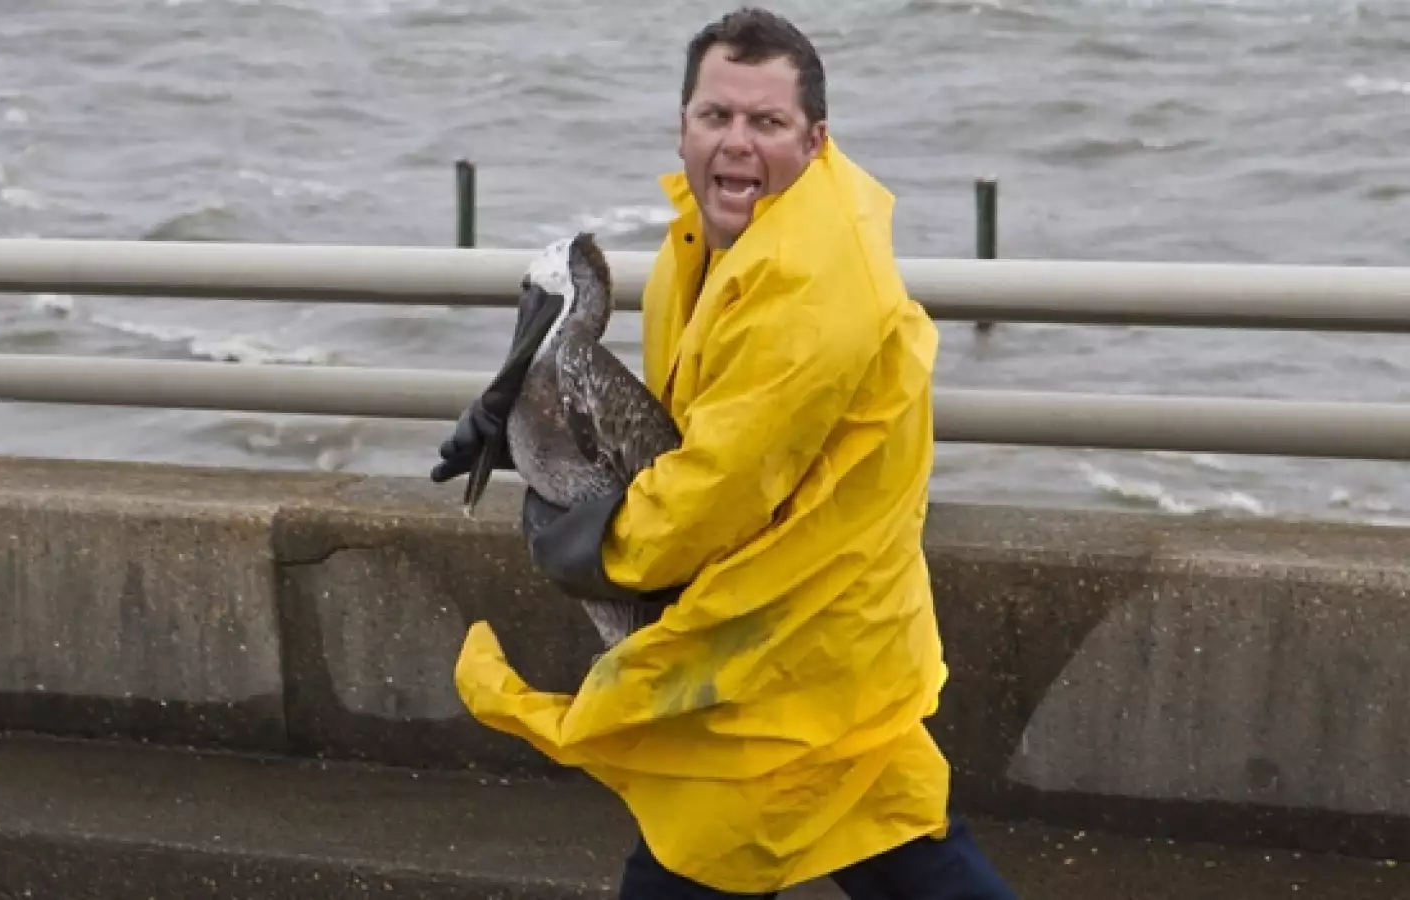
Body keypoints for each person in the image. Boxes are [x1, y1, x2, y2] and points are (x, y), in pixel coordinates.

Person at [432, 7, 1019, 899]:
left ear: (815, 138)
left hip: (793, 643)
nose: (736, 142)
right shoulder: (706, 246)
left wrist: (585, 547)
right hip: (806, 632)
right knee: (896, 846)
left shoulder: (810, 285)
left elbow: (711, 492)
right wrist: (525, 427)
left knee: (704, 852)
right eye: (716, 117)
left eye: (767, 122)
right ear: (683, 126)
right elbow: (673, 428)